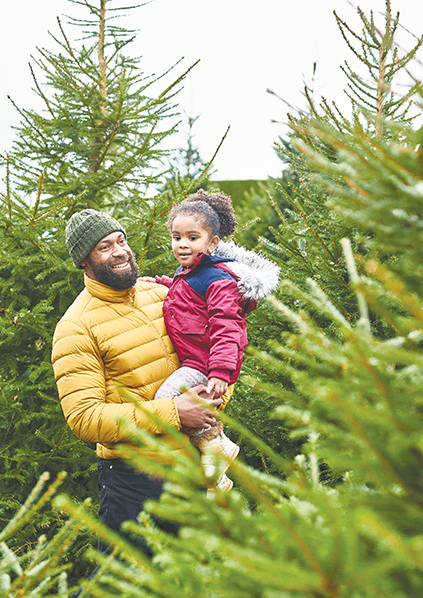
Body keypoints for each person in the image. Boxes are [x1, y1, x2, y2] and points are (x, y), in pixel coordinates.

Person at [51, 208, 222, 560]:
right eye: (104, 247)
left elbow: (212, 352)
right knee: (124, 582)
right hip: (134, 478)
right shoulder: (76, 327)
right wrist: (174, 413)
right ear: (85, 261)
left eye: (121, 241)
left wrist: (214, 396)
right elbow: (84, 417)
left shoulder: (162, 295)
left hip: (192, 464)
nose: (120, 251)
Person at [149, 190, 280, 491]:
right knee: (187, 409)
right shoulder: (191, 272)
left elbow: (227, 327)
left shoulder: (217, 280)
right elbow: (185, 293)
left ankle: (216, 446)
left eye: (192, 238)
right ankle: (216, 458)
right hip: (198, 360)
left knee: (164, 402)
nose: (182, 244)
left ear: (212, 243)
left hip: (206, 363)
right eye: (176, 237)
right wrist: (160, 282)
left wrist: (219, 372)